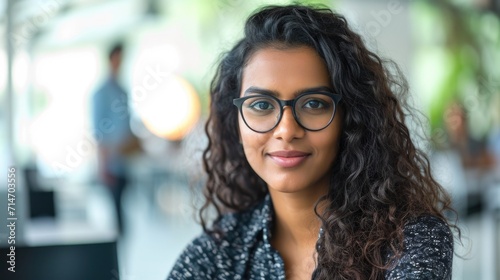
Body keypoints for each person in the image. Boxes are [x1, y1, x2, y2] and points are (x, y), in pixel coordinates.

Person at [167, 4, 459, 279]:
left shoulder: (408, 241)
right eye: (261, 105)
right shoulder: (215, 254)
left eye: (314, 104)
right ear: (236, 121)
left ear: (351, 117)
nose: (286, 130)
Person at [91, 42, 138, 235]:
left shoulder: (122, 91)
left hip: (125, 160)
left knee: (123, 213)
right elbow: (98, 131)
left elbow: (127, 125)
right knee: (115, 214)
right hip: (111, 162)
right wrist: (102, 164)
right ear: (111, 59)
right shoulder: (101, 93)